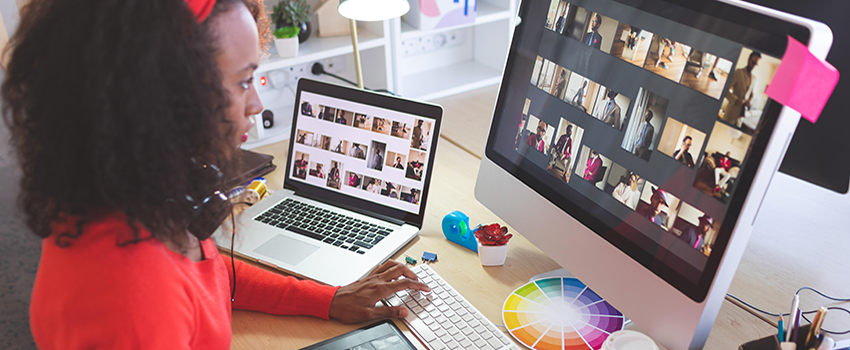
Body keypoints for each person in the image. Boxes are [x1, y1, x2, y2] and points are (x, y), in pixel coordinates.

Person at [5, 1, 430, 347]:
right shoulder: (134, 301)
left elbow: (212, 271)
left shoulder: (136, 197)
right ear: (165, 96)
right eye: (245, 82)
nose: (257, 104)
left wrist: (327, 299)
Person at [722, 51, 760, 127]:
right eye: (753, 62)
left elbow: (751, 94)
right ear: (748, 59)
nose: (753, 66)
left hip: (741, 115)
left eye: (755, 64)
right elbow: (725, 89)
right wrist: (735, 99)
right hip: (731, 112)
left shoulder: (754, 78)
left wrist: (750, 101)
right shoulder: (738, 72)